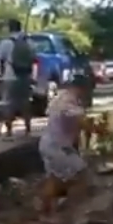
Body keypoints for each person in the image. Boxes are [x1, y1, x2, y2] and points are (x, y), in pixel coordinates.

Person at [38, 75, 90, 214]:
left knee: (54, 179)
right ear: (81, 88)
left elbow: (73, 127)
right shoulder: (69, 101)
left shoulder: (59, 98)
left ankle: (46, 212)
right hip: (57, 147)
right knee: (80, 173)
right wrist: (102, 130)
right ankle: (75, 210)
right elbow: (82, 122)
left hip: (48, 144)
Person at [0, 19, 35, 138]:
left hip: (10, 76)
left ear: (9, 28)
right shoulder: (28, 41)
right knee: (25, 102)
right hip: (25, 75)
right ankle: (28, 130)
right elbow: (34, 58)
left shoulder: (5, 43)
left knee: (9, 103)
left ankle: (9, 131)